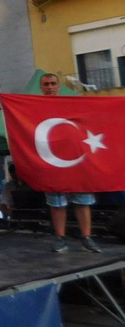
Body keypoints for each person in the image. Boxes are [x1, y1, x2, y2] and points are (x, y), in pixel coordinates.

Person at [40, 73, 101, 254]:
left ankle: (87, 238)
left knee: (82, 201)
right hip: (51, 160)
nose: (50, 87)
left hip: (77, 159)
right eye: (46, 84)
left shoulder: (71, 103)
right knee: (57, 203)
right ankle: (60, 238)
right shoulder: (35, 106)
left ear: (58, 86)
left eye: (53, 83)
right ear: (41, 87)